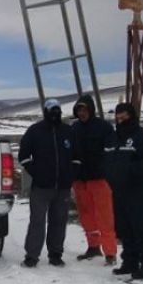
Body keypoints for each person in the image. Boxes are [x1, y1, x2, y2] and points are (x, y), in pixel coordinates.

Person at [18, 98, 81, 268]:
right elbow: (23, 156)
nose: (55, 113)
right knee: (37, 221)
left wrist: (70, 174)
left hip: (62, 187)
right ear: (46, 111)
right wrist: (37, 173)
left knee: (59, 221)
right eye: (52, 110)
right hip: (41, 187)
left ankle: (55, 254)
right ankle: (31, 256)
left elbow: (77, 156)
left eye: (58, 110)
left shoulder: (68, 131)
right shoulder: (35, 131)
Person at [103, 102, 143, 279]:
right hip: (119, 192)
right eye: (118, 117)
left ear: (132, 116)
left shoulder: (142, 136)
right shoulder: (113, 137)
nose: (121, 120)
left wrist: (128, 171)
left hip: (141, 192)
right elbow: (105, 159)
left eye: (124, 116)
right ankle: (130, 262)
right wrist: (110, 175)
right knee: (124, 229)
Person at [71, 95, 117, 265]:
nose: (82, 113)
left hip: (99, 179)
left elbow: (111, 151)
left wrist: (106, 168)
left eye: (84, 109)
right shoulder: (74, 128)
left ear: (91, 109)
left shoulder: (103, 127)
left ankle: (110, 252)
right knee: (86, 215)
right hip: (80, 179)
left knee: (105, 216)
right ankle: (93, 246)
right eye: (79, 110)